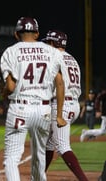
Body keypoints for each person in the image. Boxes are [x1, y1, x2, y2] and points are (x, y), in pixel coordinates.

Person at [0, 17, 66, 181]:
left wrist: (3, 93)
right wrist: (58, 115)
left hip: (20, 107)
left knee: (11, 159)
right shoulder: (52, 52)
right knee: (39, 156)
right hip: (43, 109)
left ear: (16, 34)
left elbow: (10, 87)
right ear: (37, 33)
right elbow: (60, 82)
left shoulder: (11, 51)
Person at [43, 30, 88, 180]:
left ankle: (83, 179)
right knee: (49, 143)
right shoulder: (72, 59)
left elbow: (57, 84)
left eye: (48, 42)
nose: (46, 45)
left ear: (53, 43)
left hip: (61, 104)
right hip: (74, 103)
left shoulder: (53, 57)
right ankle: (38, 176)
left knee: (62, 146)